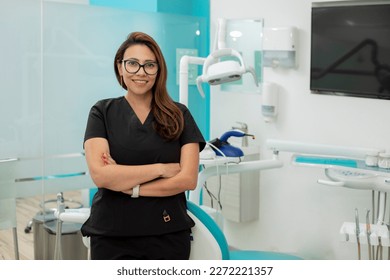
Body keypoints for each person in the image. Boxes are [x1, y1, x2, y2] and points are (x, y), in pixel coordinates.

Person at [81, 31, 206, 260]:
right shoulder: (102, 112)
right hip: (112, 234)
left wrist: (130, 187)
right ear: (120, 67)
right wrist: (161, 169)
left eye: (149, 65)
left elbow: (188, 179)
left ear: (159, 70)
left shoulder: (179, 114)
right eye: (132, 64)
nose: (141, 72)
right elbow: (101, 175)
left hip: (167, 233)